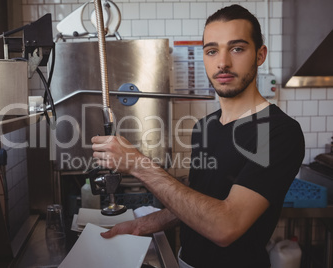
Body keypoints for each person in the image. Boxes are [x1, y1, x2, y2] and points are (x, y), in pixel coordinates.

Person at [91, 4, 305, 268]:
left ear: (260, 55)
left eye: (237, 48)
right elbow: (197, 204)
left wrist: (138, 164)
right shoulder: (205, 127)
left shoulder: (277, 131)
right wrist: (142, 225)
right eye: (212, 50)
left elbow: (226, 226)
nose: (223, 62)